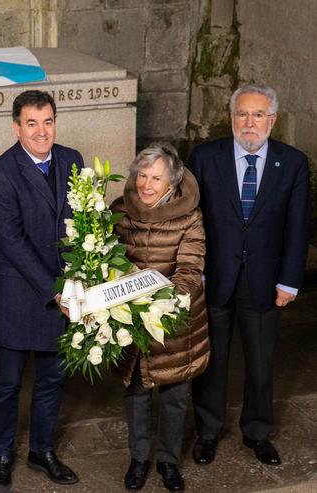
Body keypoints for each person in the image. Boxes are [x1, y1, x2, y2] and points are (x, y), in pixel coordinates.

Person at [189, 84, 311, 467]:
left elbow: (297, 226)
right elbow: (192, 219)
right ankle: (207, 433)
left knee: (260, 363)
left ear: (272, 120)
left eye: (259, 115)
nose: (250, 123)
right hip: (215, 277)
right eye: (242, 114)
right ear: (231, 118)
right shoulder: (206, 158)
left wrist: (289, 280)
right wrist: (195, 272)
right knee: (211, 362)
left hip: (264, 280)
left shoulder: (292, 163)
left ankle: (257, 432)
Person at [0, 90, 83, 487]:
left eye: (48, 121)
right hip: (20, 295)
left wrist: (83, 275)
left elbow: (83, 222)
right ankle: (3, 455)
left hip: (66, 293)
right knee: (7, 384)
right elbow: (11, 242)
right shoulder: (0, 174)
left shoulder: (71, 159)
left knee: (52, 380)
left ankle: (42, 451)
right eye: (32, 123)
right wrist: (57, 291)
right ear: (16, 127)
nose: (42, 131)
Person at [110, 144, 209, 492]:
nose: (147, 184)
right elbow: (108, 261)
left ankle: (168, 461)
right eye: (142, 175)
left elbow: (190, 267)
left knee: (175, 395)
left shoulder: (189, 217)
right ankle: (139, 459)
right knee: (136, 392)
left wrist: (164, 300)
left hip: (174, 320)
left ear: (171, 183)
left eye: (156, 178)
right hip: (132, 321)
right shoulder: (120, 210)